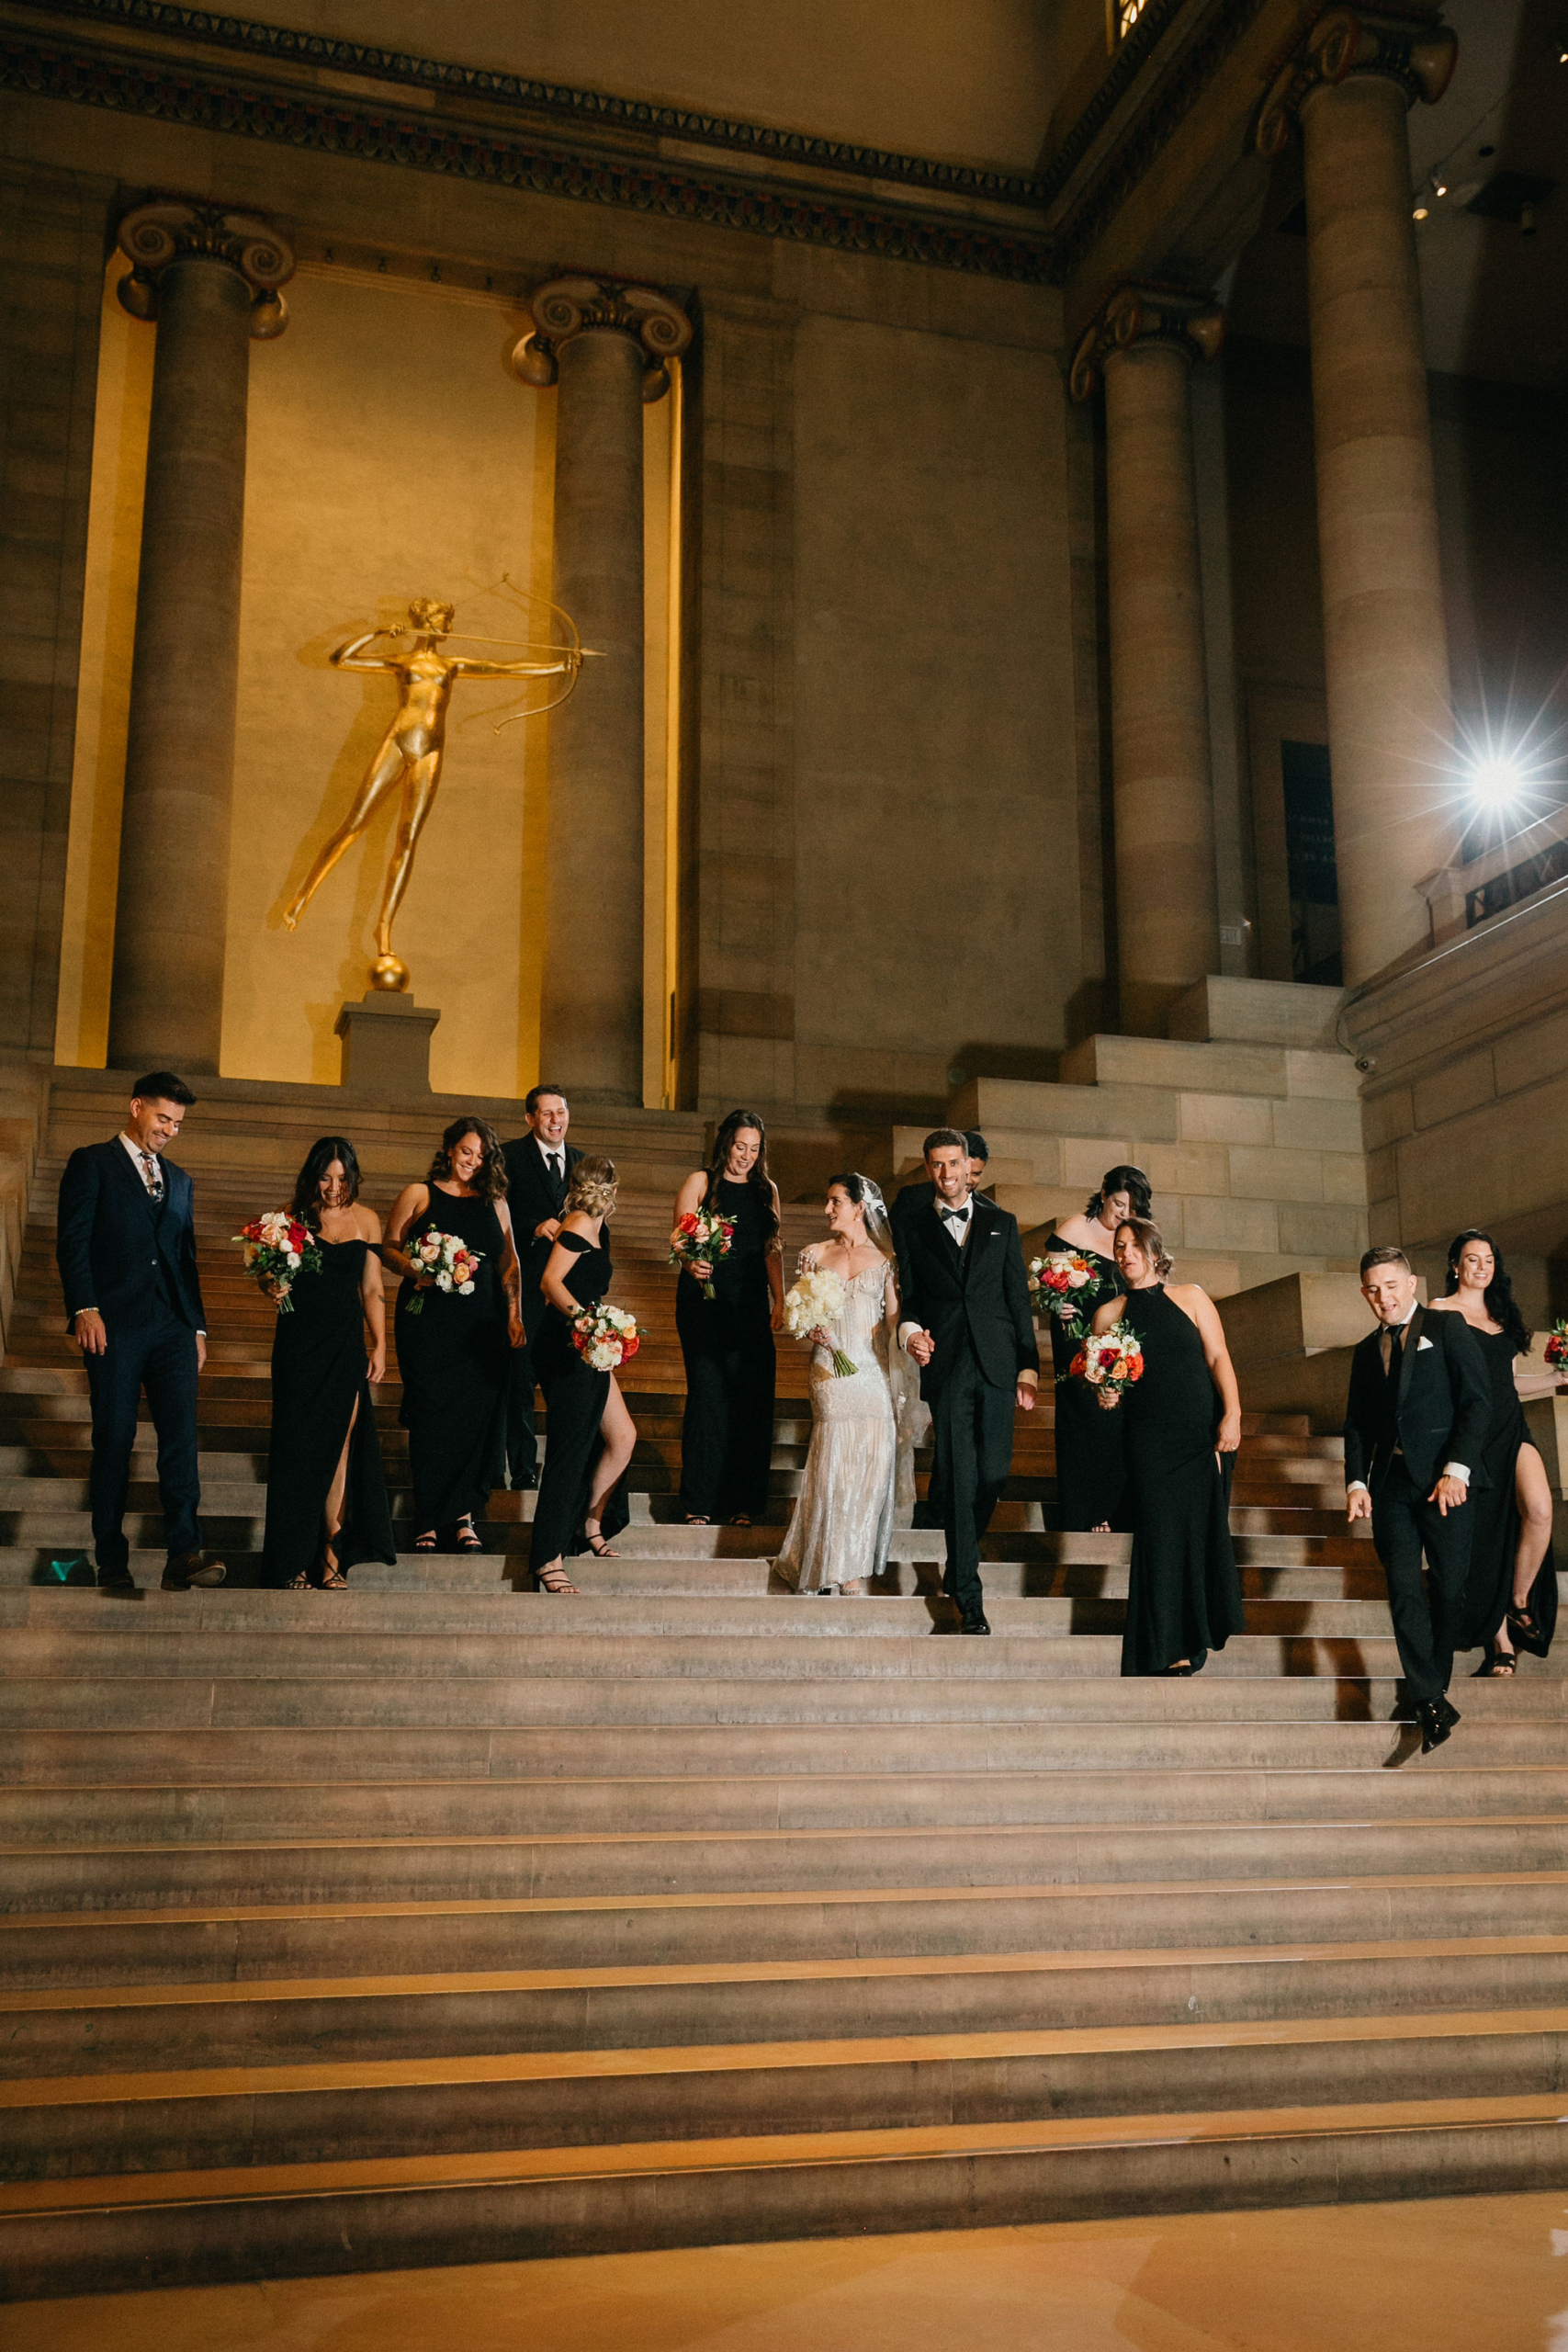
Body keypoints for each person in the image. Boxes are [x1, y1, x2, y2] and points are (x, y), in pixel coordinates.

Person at [55, 1071, 225, 1594]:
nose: (170, 1130)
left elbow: (186, 1259)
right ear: (135, 1107)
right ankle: (111, 1557)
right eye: (162, 1118)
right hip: (115, 1326)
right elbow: (73, 1241)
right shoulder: (92, 1163)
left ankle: (183, 1552)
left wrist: (196, 1326)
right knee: (115, 1438)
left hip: (173, 1327)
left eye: (177, 1123)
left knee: (180, 1440)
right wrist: (85, 1307)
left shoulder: (181, 1180)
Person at [1343, 1244, 1490, 1752]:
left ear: (1411, 1285)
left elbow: (1477, 1403)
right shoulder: (1366, 1350)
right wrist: (1357, 1482)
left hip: (1446, 1484)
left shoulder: (1448, 1329)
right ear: (1364, 1294)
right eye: (1372, 1289)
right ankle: (1430, 1699)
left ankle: (1435, 1688)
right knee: (1403, 1589)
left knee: (1448, 1590)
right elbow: (1358, 1423)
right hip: (1391, 1487)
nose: (1382, 1297)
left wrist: (1456, 1469)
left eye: (1390, 1286)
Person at [896, 1127, 1038, 1636]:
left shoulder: (1003, 1223)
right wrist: (910, 1334)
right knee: (957, 1476)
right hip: (948, 1365)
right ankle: (968, 1598)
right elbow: (909, 1300)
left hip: (999, 1364)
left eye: (955, 1164)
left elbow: (1017, 1299)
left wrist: (1030, 1363)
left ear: (968, 1165)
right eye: (937, 1165)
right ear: (928, 1167)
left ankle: (962, 1558)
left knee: (994, 1472)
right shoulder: (911, 1226)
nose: (947, 1174)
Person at [1091, 1216, 1244, 1678]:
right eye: (1119, 1246)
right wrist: (1105, 1393)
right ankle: (1166, 1646)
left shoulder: (1192, 1297)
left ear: (1154, 1252)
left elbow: (1218, 1357)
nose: (1125, 1253)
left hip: (1196, 1438)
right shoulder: (1108, 1314)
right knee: (1159, 1538)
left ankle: (1192, 1638)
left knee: (1197, 1535)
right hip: (1148, 1441)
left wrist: (1233, 1414)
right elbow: (1103, 1384)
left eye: (1134, 1245)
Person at [260, 1136, 396, 1590]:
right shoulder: (290, 1217)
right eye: (325, 1177)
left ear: (353, 1177)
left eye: (342, 1178)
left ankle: (331, 1555)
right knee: (297, 1449)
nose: (334, 1187)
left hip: (344, 1346)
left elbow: (373, 1287)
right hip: (299, 1344)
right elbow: (268, 1271)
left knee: (339, 1447)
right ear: (312, 1175)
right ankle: (293, 1556)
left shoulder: (369, 1220)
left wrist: (380, 1344)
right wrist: (270, 1285)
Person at [385, 1117, 524, 1553]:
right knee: (432, 1418)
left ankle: (462, 1517)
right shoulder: (418, 1193)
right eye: (466, 1152)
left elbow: (510, 1262)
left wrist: (515, 1315)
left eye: (481, 1156)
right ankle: (428, 1516)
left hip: (482, 1329)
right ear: (448, 1149)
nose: (473, 1162)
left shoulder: (495, 1202)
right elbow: (389, 1247)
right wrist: (413, 1269)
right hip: (427, 1323)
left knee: (472, 1423)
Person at [1427, 1229, 1556, 1676]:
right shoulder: (1440, 1312)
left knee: (1539, 1510)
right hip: (1471, 1437)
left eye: (1488, 1260)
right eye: (1472, 1259)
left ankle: (1518, 1598)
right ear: (1455, 1266)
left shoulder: (1502, 1315)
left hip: (1511, 1428)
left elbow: (1510, 1384)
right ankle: (1499, 1641)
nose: (1481, 1267)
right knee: (1487, 1537)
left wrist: (1559, 1380)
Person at [775, 1175, 900, 1595]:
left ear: (859, 1206)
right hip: (829, 1368)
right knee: (833, 1462)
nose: (828, 1210)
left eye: (836, 1202)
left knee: (868, 1467)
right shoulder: (814, 1255)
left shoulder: (887, 1258)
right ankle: (826, 1562)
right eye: (828, 1202)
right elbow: (799, 1310)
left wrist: (912, 1342)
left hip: (872, 1371)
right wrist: (809, 1326)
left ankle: (853, 1567)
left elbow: (895, 1319)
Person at [528, 1157, 637, 1592]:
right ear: (611, 1187)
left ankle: (589, 1522)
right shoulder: (576, 1221)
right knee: (568, 1452)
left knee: (623, 1435)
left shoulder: (597, 1226)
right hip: (568, 1345)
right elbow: (550, 1283)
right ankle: (546, 1557)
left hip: (589, 1347)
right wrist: (589, 1324)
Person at [672, 1108, 784, 1527]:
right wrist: (689, 1263)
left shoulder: (766, 1189)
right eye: (741, 1146)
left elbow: (773, 1247)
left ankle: (743, 1502)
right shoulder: (701, 1181)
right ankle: (699, 1501)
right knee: (708, 1400)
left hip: (750, 1305)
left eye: (754, 1149)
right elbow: (680, 1237)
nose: (747, 1156)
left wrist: (780, 1297)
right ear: (725, 1144)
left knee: (750, 1402)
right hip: (705, 1302)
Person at [1036, 1164, 1151, 1534]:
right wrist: (1056, 1303)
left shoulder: (1135, 1237)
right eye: (1118, 1203)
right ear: (1103, 1194)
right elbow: (1046, 1284)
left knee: (1118, 1425)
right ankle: (1086, 1511)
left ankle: (1114, 1509)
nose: (1123, 1213)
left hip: (1121, 1342)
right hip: (1076, 1339)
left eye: (1131, 1208)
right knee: (1084, 1423)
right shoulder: (1075, 1229)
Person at [889, 1133, 990, 1528]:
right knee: (942, 1432)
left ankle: (951, 1513)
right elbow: (904, 1270)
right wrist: (909, 1325)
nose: (963, 1178)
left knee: (966, 1443)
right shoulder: (912, 1204)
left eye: (973, 1172)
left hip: (975, 1345)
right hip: (924, 1327)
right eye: (939, 1165)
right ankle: (930, 1509)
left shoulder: (992, 1215)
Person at [501, 1083, 582, 1490]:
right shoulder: (511, 1157)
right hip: (528, 1284)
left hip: (569, 1289)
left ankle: (566, 1468)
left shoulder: (583, 1163)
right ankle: (522, 1466)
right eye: (547, 1113)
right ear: (531, 1118)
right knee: (520, 1379)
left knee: (567, 1381)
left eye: (561, 1112)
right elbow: (497, 1211)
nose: (556, 1120)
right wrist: (534, 1224)